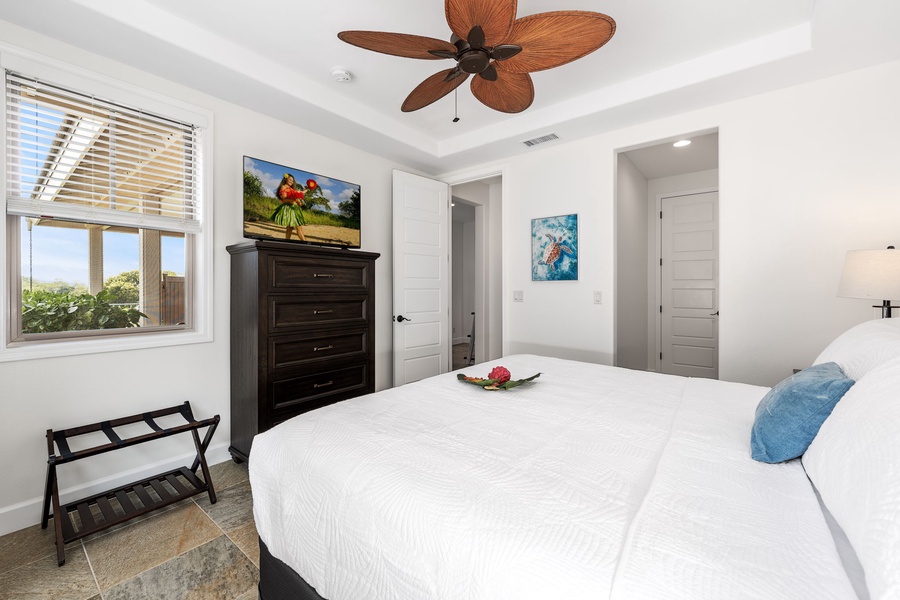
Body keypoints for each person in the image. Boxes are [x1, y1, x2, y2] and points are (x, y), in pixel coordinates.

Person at [271, 173, 307, 241]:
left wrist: (299, 201)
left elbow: (300, 193)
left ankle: (287, 241)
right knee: (295, 227)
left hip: (295, 209)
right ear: (286, 179)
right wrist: (293, 200)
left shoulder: (291, 189)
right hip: (289, 208)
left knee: (293, 227)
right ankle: (305, 243)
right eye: (290, 180)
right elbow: (284, 199)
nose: (291, 181)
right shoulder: (283, 187)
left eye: (292, 181)